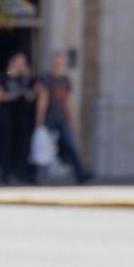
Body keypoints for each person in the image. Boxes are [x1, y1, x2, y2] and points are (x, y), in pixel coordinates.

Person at [38, 51, 91, 183]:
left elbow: (67, 101)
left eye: (60, 62)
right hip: (49, 119)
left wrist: (70, 119)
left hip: (62, 119)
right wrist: (39, 120)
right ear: (51, 63)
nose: (57, 65)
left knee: (70, 145)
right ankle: (32, 175)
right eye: (55, 62)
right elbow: (42, 101)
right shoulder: (46, 79)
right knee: (43, 146)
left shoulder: (65, 80)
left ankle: (80, 174)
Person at [0, 52, 42, 184]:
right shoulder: (5, 76)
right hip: (7, 117)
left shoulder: (25, 78)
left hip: (22, 119)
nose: (22, 66)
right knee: (6, 145)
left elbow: (32, 93)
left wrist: (34, 90)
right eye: (20, 62)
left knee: (23, 146)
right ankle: (5, 173)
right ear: (12, 61)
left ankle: (22, 173)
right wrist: (13, 95)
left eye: (24, 63)